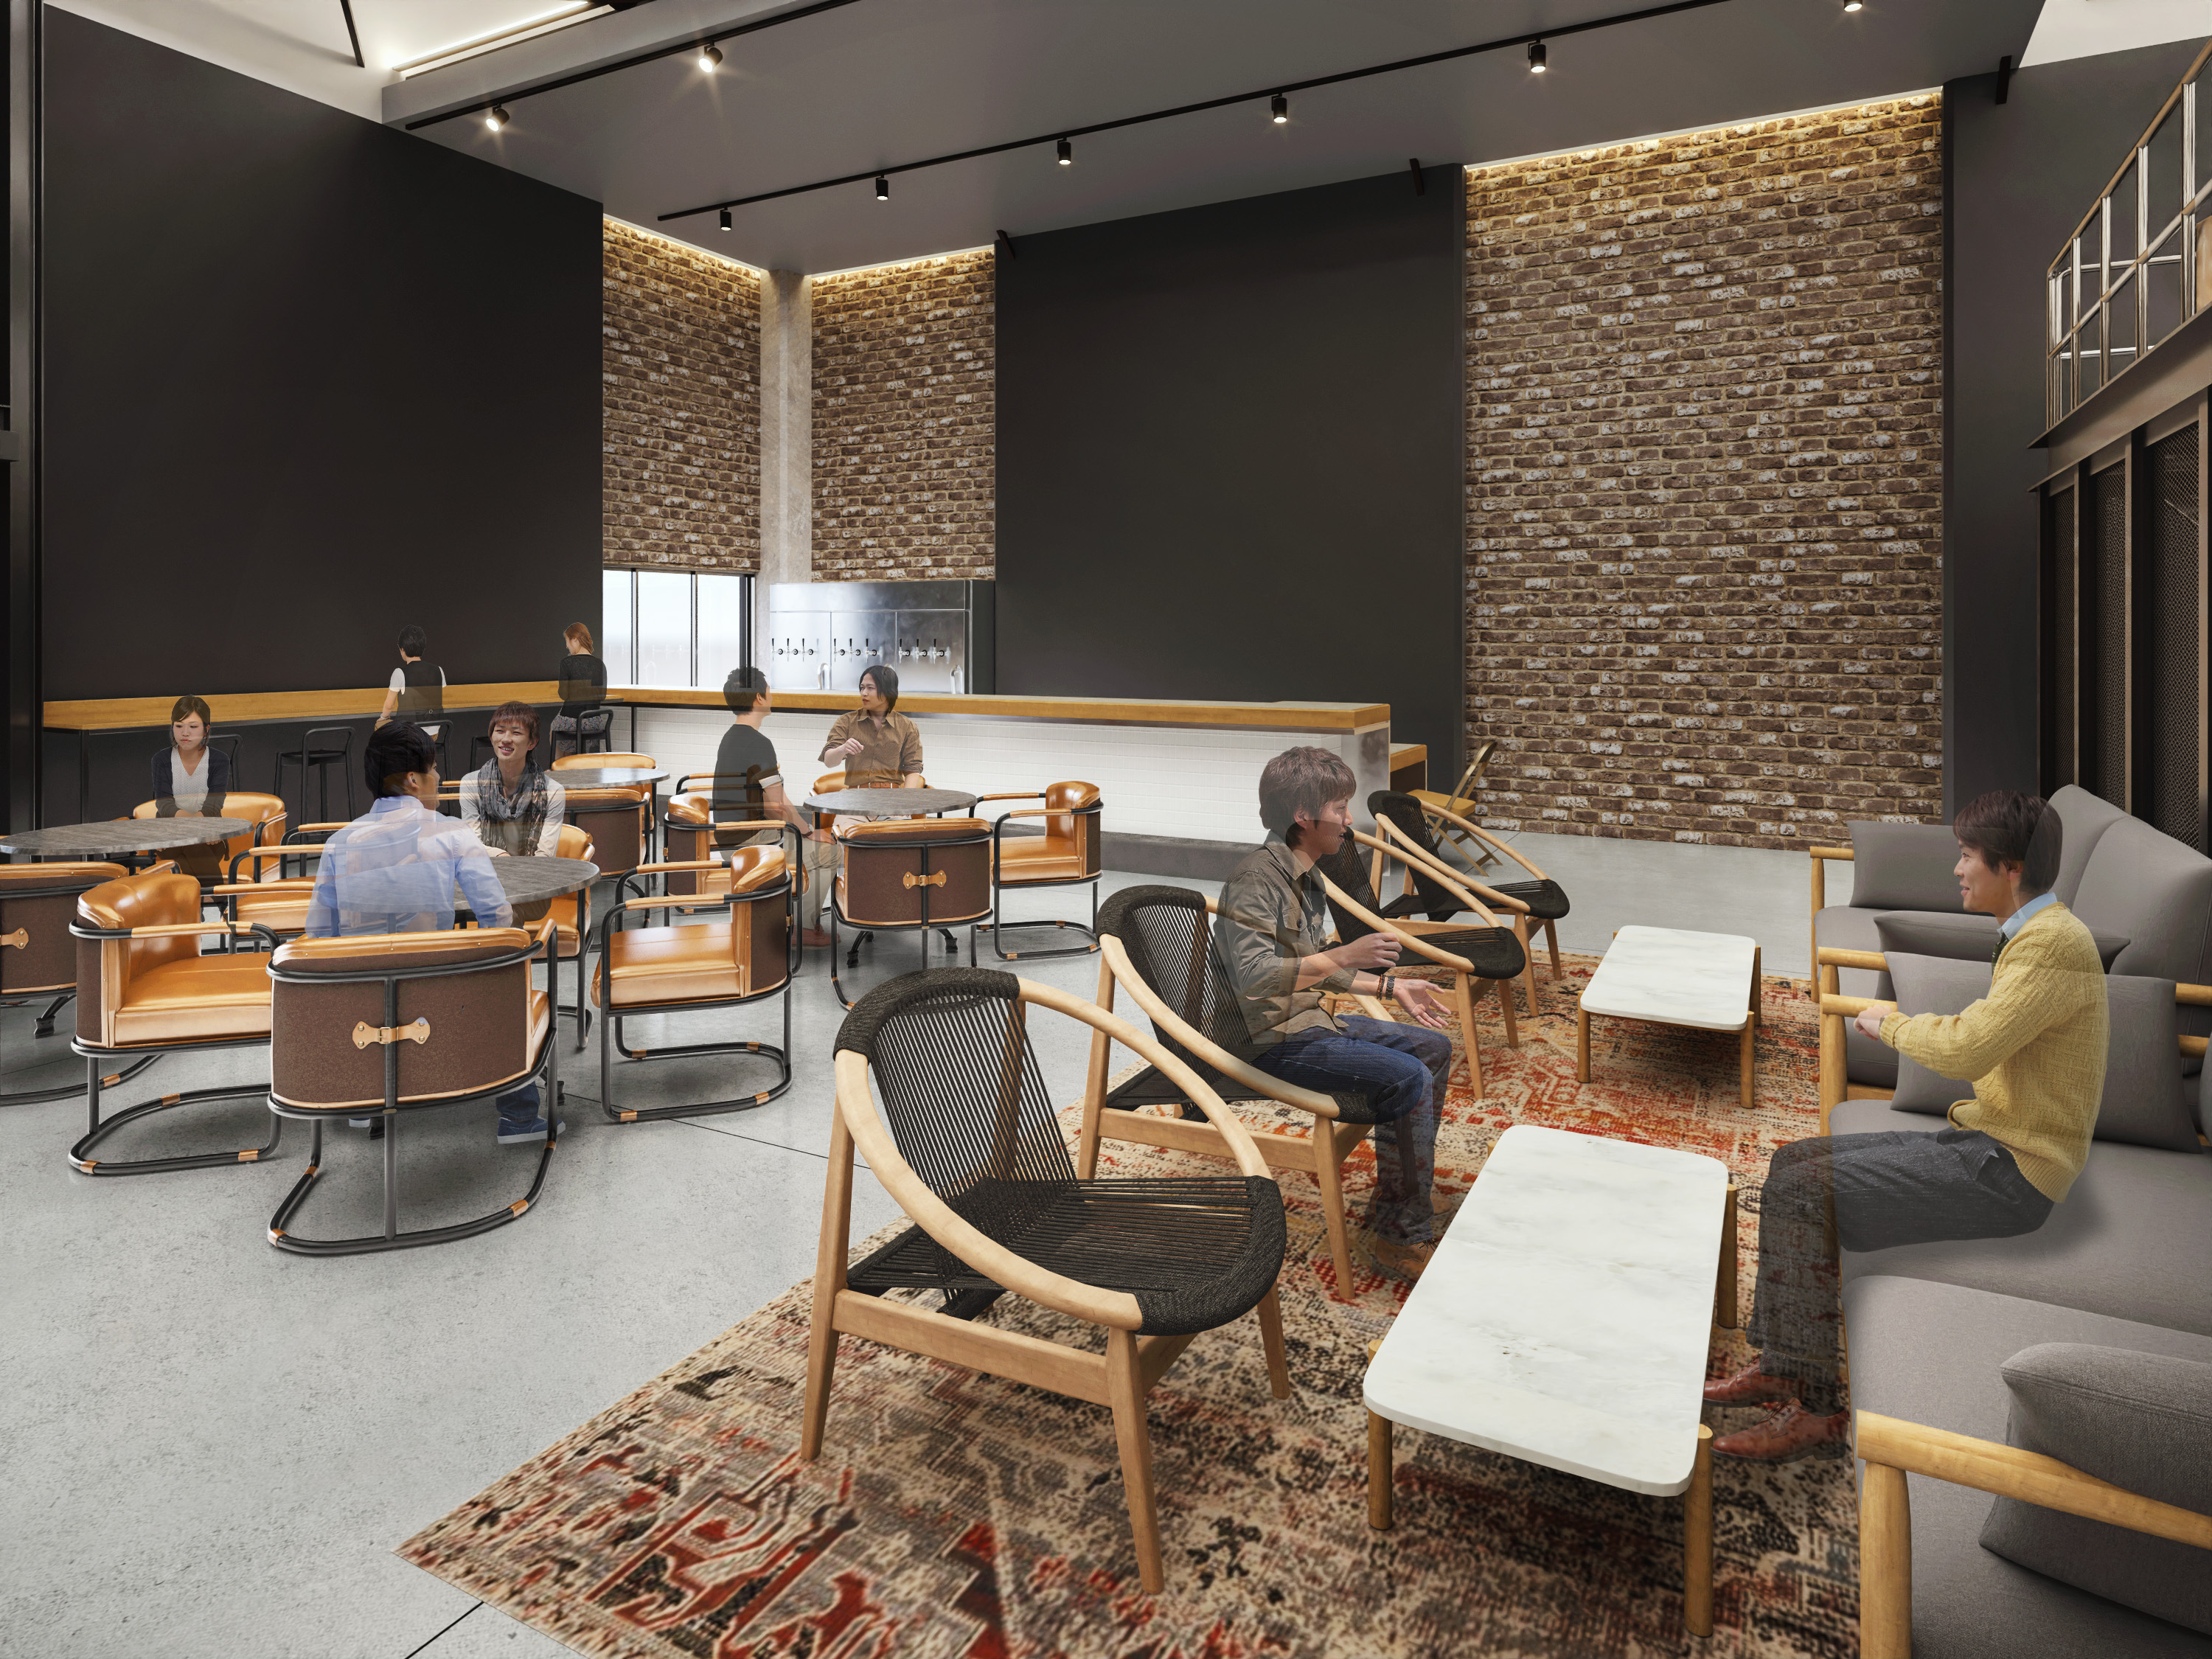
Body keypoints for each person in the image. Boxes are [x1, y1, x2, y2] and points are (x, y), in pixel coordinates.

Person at [1706, 790, 2108, 1461]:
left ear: (2010, 868)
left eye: (1968, 856)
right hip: (1985, 1142)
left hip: (2013, 1176)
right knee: (1791, 1162)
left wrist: (1890, 1023)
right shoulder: (2033, 933)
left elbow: (1969, 1049)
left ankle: (1816, 1414)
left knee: (1804, 1192)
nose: (1957, 868)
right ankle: (1786, 1364)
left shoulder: (2052, 946)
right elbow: (1988, 1036)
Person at [1213, 746, 1456, 1283]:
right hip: (1263, 1040)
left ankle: (1401, 1196)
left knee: (1434, 1048)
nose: (1349, 820)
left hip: (1302, 1022)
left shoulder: (1306, 874)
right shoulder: (1256, 881)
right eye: (1340, 808)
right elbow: (1255, 979)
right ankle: (1399, 1237)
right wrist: (1346, 955)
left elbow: (1308, 968)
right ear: (1305, 817)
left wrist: (1391, 986)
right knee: (1408, 1075)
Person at [299, 722, 560, 1146]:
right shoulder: (451, 833)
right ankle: (518, 1118)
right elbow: (497, 919)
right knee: (507, 969)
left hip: (365, 1018)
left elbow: (319, 938)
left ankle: (363, 1102)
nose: (439, 777)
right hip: (438, 1007)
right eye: (434, 769)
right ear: (414, 780)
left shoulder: (339, 844)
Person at [711, 667, 833, 947]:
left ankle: (790, 917)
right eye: (769, 690)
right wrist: (808, 831)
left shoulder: (729, 738)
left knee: (807, 840)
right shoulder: (759, 744)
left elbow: (768, 804)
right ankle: (803, 928)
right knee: (830, 852)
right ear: (758, 698)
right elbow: (778, 807)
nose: (772, 695)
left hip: (728, 837)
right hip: (750, 842)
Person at [457, 701, 566, 925]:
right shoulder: (471, 784)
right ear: (491, 737)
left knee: (503, 909)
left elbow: (544, 858)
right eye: (500, 731)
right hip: (483, 881)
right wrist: (501, 857)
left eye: (516, 733)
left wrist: (513, 873)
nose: (506, 739)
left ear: (532, 742)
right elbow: (471, 846)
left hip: (532, 888)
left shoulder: (552, 791)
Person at [151, 694, 233, 882]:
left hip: (209, 837)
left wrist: (194, 830)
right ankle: (219, 898)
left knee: (194, 845)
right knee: (194, 844)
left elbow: (214, 805)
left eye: (193, 727)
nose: (185, 733)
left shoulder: (219, 760)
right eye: (179, 726)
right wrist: (195, 829)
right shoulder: (161, 760)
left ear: (206, 730)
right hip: (174, 838)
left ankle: (199, 901)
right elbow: (165, 805)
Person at [819, 664, 924, 790]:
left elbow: (913, 767)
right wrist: (843, 749)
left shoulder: (907, 726)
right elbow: (829, 762)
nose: (864, 693)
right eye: (862, 688)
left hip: (891, 795)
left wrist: (905, 798)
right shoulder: (846, 721)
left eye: (870, 688)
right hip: (856, 795)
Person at [551, 623, 610, 759]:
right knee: (567, 730)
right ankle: (580, 764)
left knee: (553, 729)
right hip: (595, 722)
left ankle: (562, 768)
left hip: (573, 721)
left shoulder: (567, 663)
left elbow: (563, 695)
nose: (567, 646)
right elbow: (602, 696)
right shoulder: (600, 664)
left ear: (575, 639)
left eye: (567, 641)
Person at [376, 625, 445, 728]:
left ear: (402, 649)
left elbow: (389, 706)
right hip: (434, 730)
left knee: (379, 725)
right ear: (423, 647)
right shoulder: (439, 670)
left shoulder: (399, 673)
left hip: (410, 732)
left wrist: (383, 717)